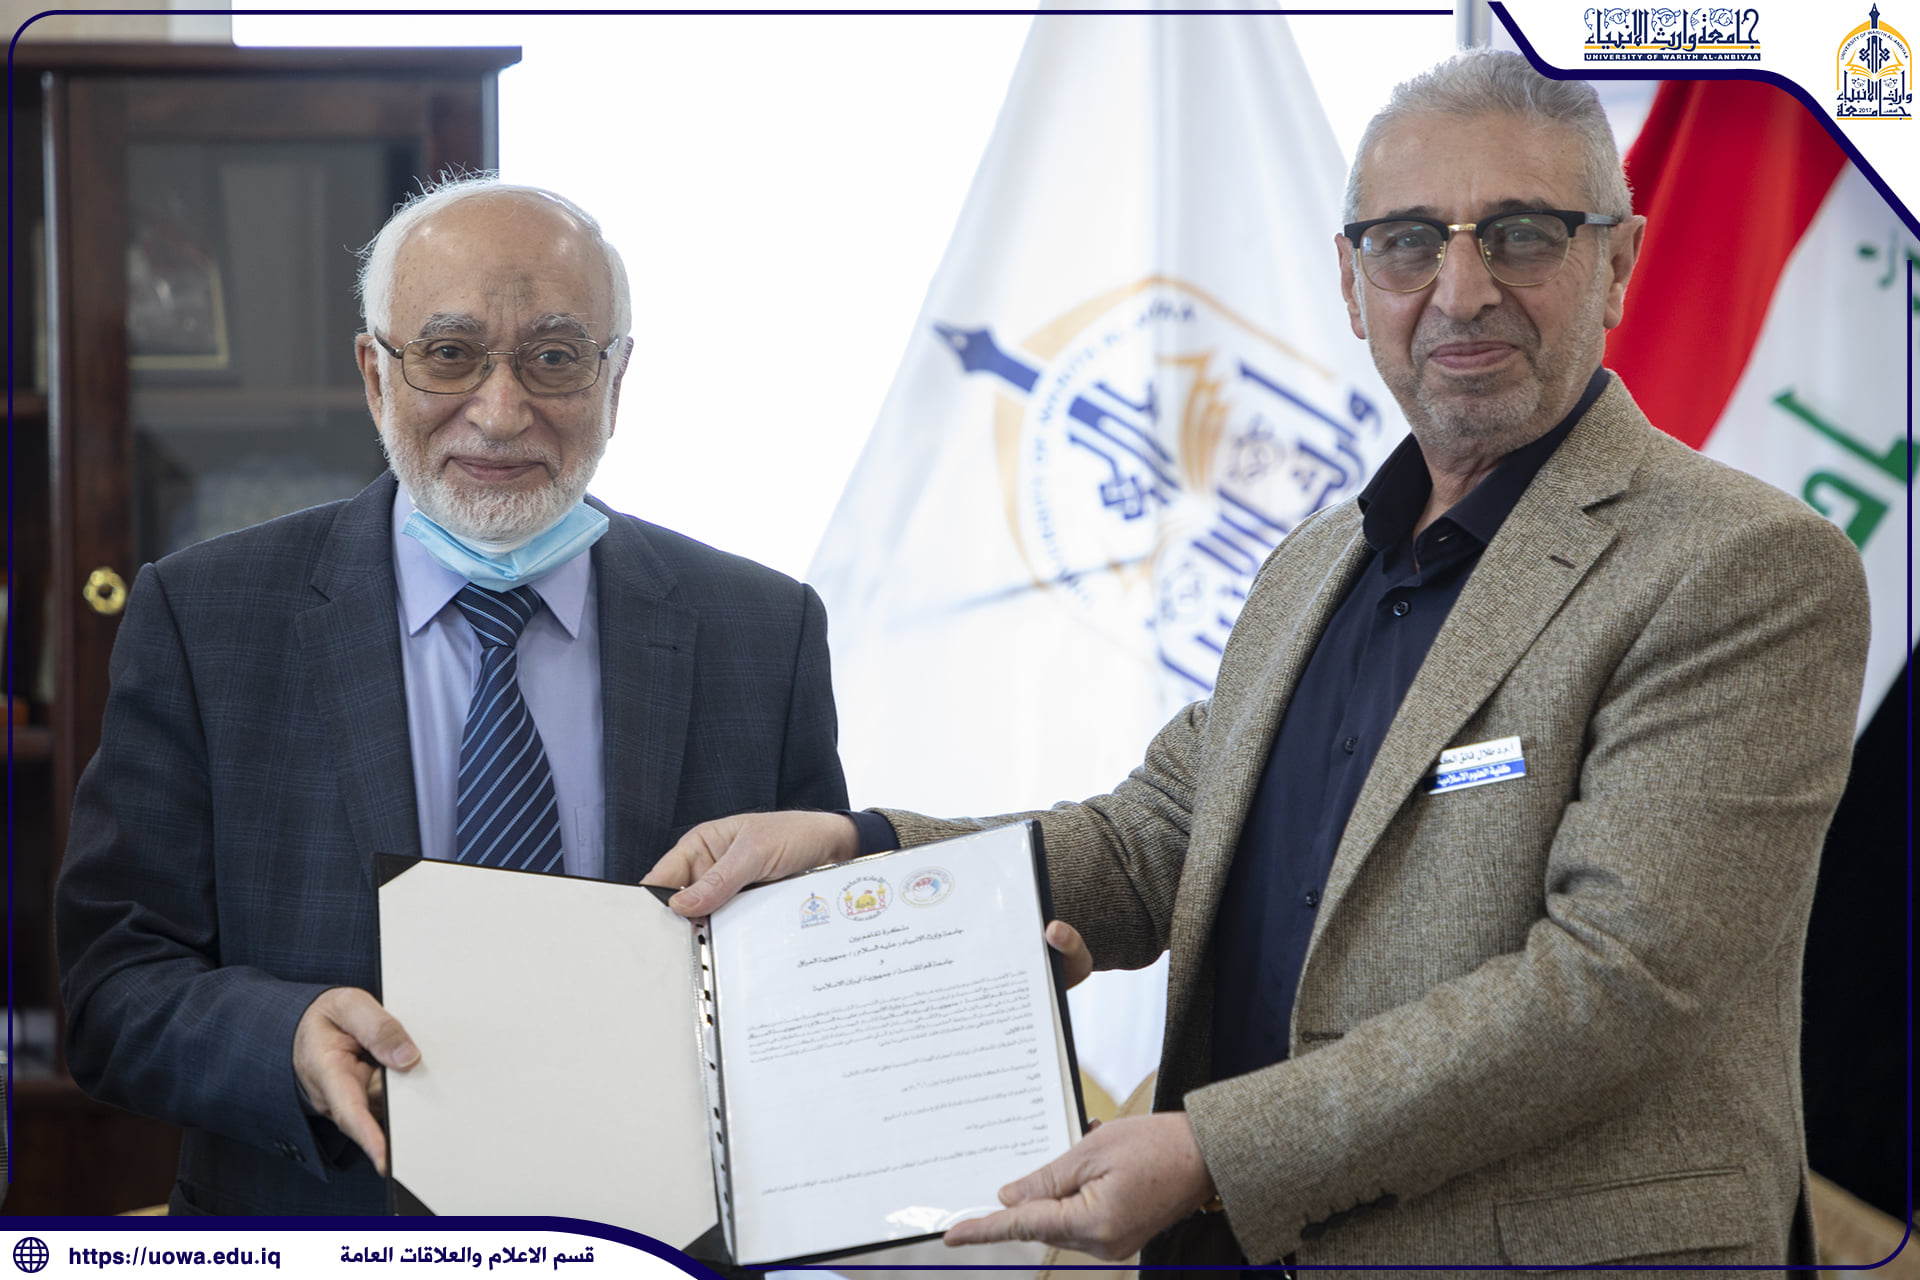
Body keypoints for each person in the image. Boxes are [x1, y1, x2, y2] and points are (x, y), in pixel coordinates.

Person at [646, 52, 1871, 1271]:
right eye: (1408, 242)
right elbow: (1151, 840)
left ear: (1618, 262)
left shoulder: (1744, 565)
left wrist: (1215, 1152)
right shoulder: (1314, 562)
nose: (1461, 291)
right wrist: (858, 848)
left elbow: (1615, 984)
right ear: (1351, 281)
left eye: (1521, 235)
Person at [55, 177, 849, 1216]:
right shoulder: (206, 618)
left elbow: (812, 960)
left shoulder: (762, 631)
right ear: (375, 376)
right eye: (449, 353)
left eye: (554, 357)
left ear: (616, 381)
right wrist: (283, 1040)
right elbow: (110, 988)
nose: (501, 410)